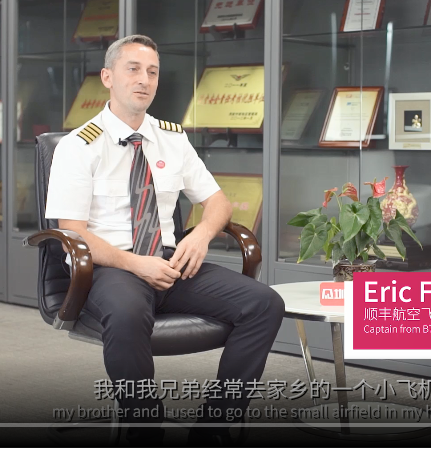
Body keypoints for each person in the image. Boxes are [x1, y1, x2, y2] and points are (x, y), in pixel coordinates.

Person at [44, 34, 286, 445]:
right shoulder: (79, 146)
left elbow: (218, 202)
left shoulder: (172, 139)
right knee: (126, 314)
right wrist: (136, 264)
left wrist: (203, 235)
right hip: (108, 267)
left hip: (169, 261)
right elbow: (73, 231)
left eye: (152, 72)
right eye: (133, 69)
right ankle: (145, 428)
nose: (144, 79)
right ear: (108, 77)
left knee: (265, 304)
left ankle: (213, 427)